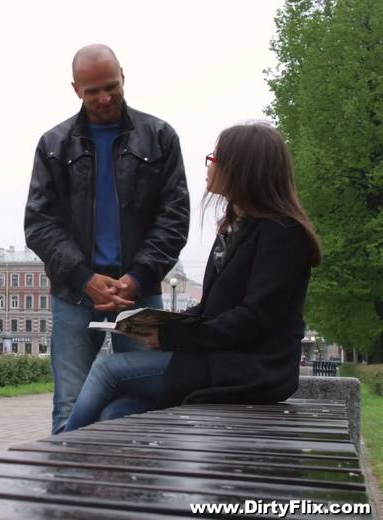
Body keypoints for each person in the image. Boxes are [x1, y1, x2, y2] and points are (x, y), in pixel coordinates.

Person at [64, 122, 322, 431]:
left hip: (251, 369)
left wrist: (172, 337)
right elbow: (213, 309)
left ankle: (60, 450)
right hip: (220, 359)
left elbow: (253, 318)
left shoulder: (282, 233)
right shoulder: (235, 229)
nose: (209, 166)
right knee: (117, 411)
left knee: (107, 369)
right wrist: (155, 323)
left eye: (216, 158)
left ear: (242, 169)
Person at [24, 43, 191, 433]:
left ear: (123, 77)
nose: (104, 98)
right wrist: (84, 278)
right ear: (75, 89)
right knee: (69, 404)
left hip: (138, 295)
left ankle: (131, 473)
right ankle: (66, 472)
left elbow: (174, 218)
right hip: (74, 294)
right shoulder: (53, 145)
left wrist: (137, 277)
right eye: (92, 91)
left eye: (111, 87)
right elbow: (39, 224)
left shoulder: (160, 137)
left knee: (144, 403)